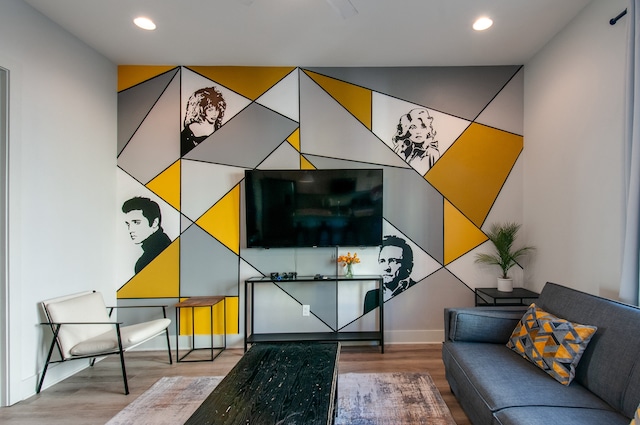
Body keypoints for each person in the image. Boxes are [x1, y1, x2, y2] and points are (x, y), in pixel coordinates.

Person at [363, 235, 416, 314]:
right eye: (382, 261)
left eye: (393, 261)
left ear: (409, 266)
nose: (386, 268)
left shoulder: (418, 291)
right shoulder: (371, 296)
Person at [122, 196, 171, 273]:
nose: (130, 229)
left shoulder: (146, 261)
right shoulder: (165, 245)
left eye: (136, 222)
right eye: (128, 224)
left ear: (154, 223)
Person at [181, 86, 227, 156]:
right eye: (210, 110)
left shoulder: (220, 130)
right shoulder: (186, 135)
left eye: (217, 109)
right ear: (200, 110)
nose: (214, 114)